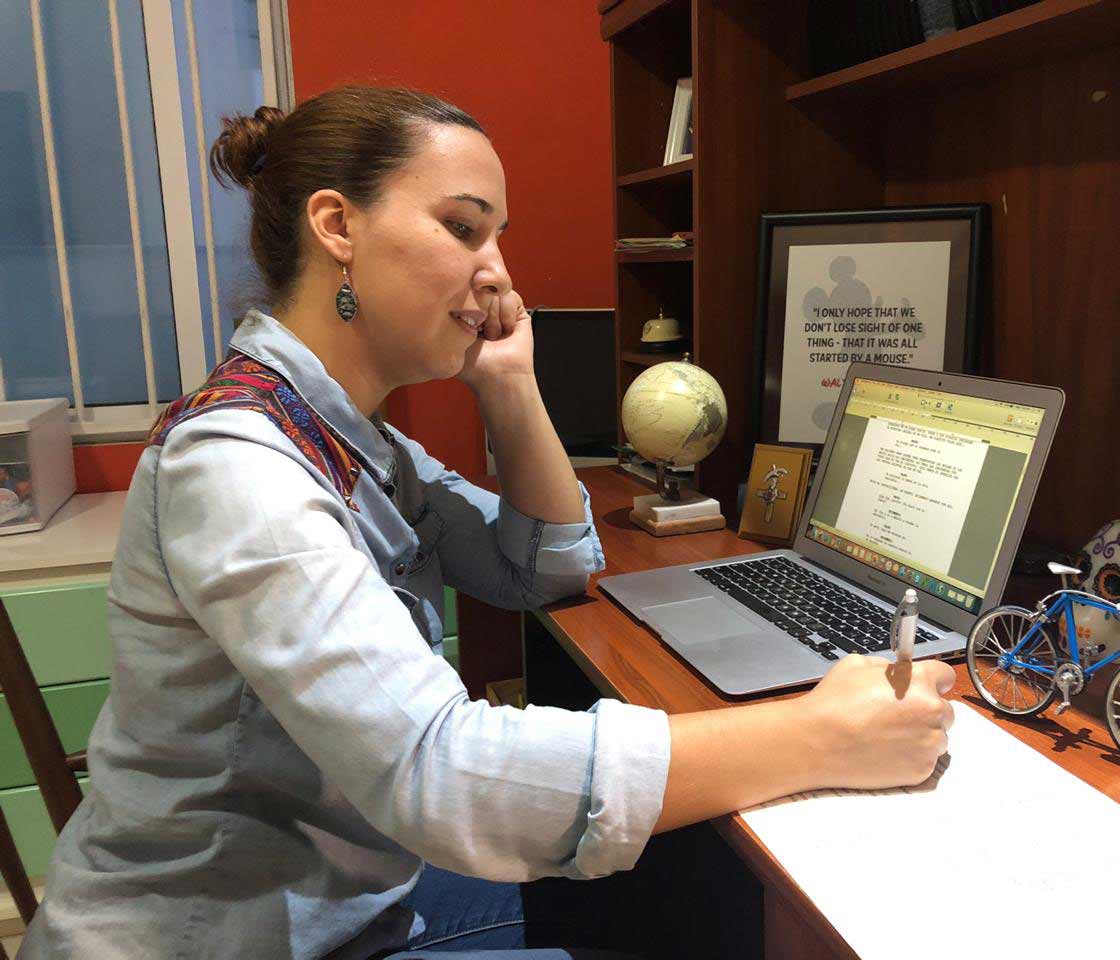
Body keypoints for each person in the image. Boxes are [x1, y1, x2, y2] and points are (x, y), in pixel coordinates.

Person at [16, 87, 954, 960]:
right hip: (228, 938)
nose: (498, 270)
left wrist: (508, 384)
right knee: (691, 899)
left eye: (498, 235)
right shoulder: (240, 465)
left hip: (351, 891)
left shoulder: (355, 439)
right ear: (338, 227)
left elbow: (544, 569)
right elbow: (441, 771)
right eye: (464, 227)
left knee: (684, 881)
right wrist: (817, 736)